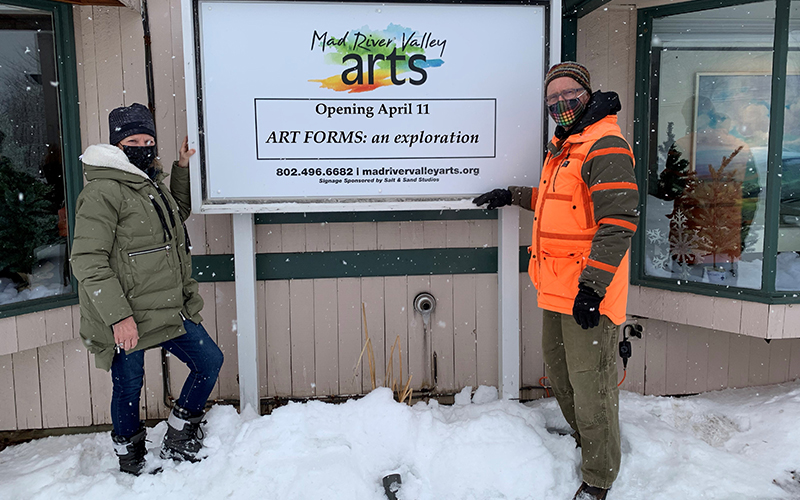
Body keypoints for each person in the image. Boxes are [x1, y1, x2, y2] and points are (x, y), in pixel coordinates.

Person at [474, 62, 639, 500]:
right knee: (562, 372)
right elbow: (558, 204)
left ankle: (599, 475)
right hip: (557, 287)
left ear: (587, 93)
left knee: (592, 383)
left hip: (587, 292)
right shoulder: (566, 146)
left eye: (569, 95)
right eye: (552, 100)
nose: (560, 104)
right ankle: (588, 441)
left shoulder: (604, 144)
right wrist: (512, 195)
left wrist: (593, 287)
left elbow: (618, 221)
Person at [70, 103, 223, 475]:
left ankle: (180, 431)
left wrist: (182, 168)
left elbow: (175, 216)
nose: (143, 145)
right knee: (128, 387)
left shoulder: (148, 184)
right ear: (117, 146)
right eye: (134, 140)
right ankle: (131, 458)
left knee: (209, 362)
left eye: (148, 139)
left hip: (167, 306)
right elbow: (87, 260)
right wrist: (119, 317)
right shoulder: (103, 191)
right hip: (129, 315)